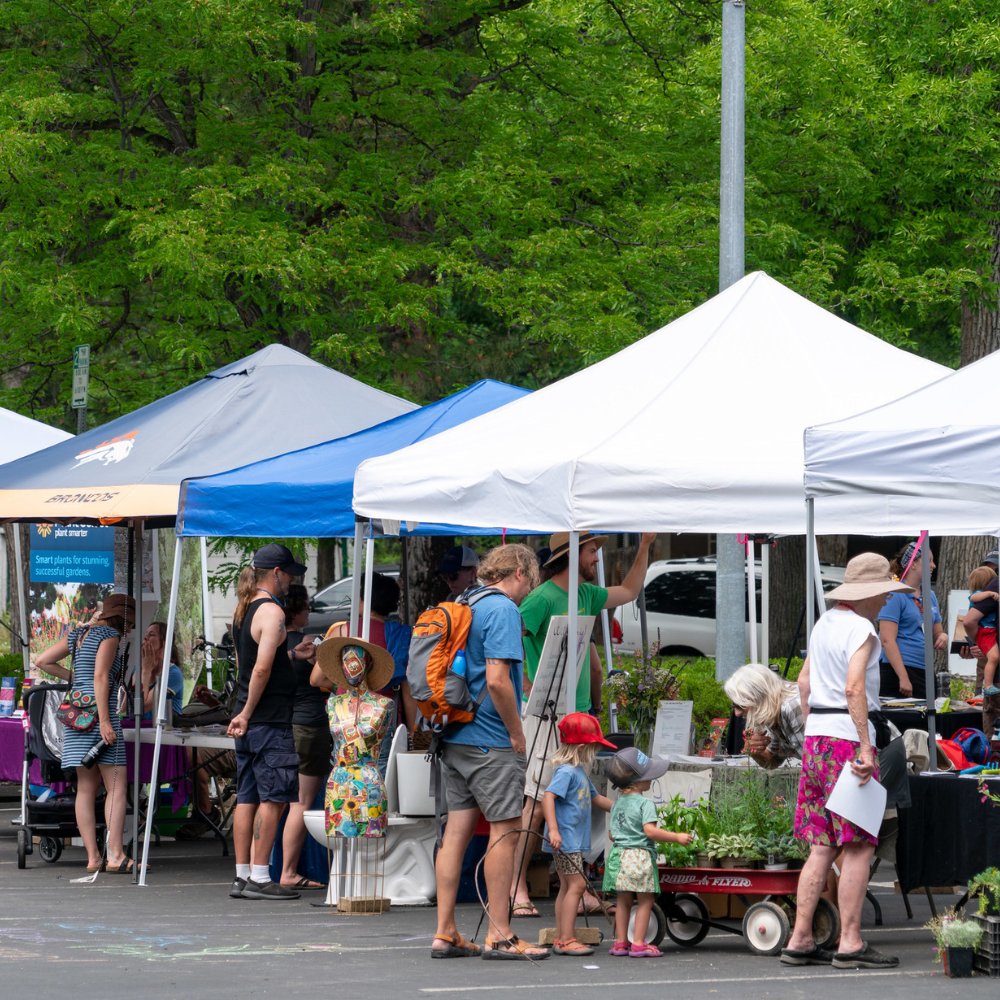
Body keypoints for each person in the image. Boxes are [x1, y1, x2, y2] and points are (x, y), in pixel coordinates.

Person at [511, 530, 656, 918]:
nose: (596, 558)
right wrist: (524, 686)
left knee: (573, 800)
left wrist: (644, 547)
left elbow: (628, 589)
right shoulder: (541, 599)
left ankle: (574, 885)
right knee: (537, 803)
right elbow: (512, 636)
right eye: (592, 551)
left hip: (574, 717)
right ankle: (515, 886)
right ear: (572, 555)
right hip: (544, 714)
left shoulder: (587, 595)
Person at [780, 552, 910, 970]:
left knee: (821, 846)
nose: (887, 601)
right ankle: (850, 941)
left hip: (818, 736)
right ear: (872, 593)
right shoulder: (862, 629)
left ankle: (800, 937)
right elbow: (855, 689)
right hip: (845, 742)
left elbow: (804, 681)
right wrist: (866, 748)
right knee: (857, 846)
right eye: (885, 593)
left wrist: (813, 725)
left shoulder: (824, 623)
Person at [429, 543, 548, 961]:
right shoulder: (501, 610)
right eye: (529, 584)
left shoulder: (464, 600)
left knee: (455, 834)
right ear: (518, 571)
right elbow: (498, 680)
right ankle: (500, 934)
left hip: (454, 734)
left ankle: (445, 932)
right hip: (490, 739)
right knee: (505, 831)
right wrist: (518, 734)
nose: (526, 594)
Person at [227, 544, 317, 901]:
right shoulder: (272, 611)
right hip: (267, 718)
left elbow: (250, 662)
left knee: (247, 795)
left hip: (250, 719)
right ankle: (262, 876)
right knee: (274, 797)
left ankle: (243, 873)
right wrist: (248, 713)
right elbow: (260, 669)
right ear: (276, 573)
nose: (292, 580)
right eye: (290, 573)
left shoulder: (244, 609)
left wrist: (293, 653)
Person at [34, 593, 136, 873]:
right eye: (131, 622)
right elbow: (101, 677)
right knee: (116, 786)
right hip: (98, 714)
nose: (131, 628)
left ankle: (93, 857)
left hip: (76, 715)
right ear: (123, 618)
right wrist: (105, 720)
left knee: (86, 789)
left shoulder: (79, 635)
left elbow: (42, 660)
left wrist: (74, 679)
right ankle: (115, 854)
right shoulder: (110, 635)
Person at [603, 747, 694, 958]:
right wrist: (677, 837)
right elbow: (650, 831)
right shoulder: (645, 804)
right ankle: (638, 943)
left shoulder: (617, 805)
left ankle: (620, 942)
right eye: (649, 776)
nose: (652, 779)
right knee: (645, 901)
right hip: (639, 858)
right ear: (637, 782)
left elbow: (611, 835)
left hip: (618, 858)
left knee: (623, 901)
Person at [541, 713, 614, 957]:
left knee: (566, 886)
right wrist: (553, 829)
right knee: (577, 884)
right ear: (582, 748)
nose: (594, 754)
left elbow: (596, 799)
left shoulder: (579, 773)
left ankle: (563, 936)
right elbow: (548, 797)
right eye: (593, 749)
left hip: (570, 840)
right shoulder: (567, 772)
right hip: (566, 839)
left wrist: (621, 806)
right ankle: (567, 938)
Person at [314, 635, 395, 838]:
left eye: (356, 660)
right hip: (338, 784)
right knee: (339, 850)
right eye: (346, 661)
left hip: (369, 783)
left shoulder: (383, 704)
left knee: (372, 861)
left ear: (366, 664)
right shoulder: (333, 704)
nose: (351, 667)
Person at [278, 584, 329, 890]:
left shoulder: (276, 645)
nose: (310, 612)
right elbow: (324, 679)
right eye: (308, 607)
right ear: (297, 611)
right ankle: (289, 870)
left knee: (277, 802)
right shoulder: (308, 646)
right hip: (310, 723)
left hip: (284, 722)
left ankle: (262, 867)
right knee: (302, 802)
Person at [323, 572, 415, 732]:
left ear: (365, 598)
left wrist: (347, 684)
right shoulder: (402, 636)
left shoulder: (341, 631)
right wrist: (415, 733)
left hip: (345, 722)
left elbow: (316, 679)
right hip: (382, 721)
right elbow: (408, 691)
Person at [877, 541, 947, 699]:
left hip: (925, 670)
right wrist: (903, 677)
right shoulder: (895, 593)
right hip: (898, 671)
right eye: (929, 560)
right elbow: (887, 640)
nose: (933, 565)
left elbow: (938, 632)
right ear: (914, 563)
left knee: (927, 721)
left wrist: (943, 637)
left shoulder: (930, 595)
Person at [723, 663, 804, 768]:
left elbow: (818, 763)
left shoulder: (791, 706)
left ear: (758, 698)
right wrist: (754, 751)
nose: (737, 713)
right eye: (734, 705)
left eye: (740, 705)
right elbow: (772, 762)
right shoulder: (774, 709)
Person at [962, 549, 1000, 736]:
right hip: (987, 670)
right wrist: (975, 643)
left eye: (995, 569)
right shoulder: (987, 594)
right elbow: (968, 623)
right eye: (988, 567)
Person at [140, 621, 185, 720]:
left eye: (151, 635)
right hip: (141, 728)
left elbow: (142, 708)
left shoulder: (173, 674)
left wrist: (146, 672)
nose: (145, 638)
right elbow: (125, 706)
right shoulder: (139, 668)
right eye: (145, 634)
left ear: (165, 643)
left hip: (165, 731)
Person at [966, 567, 1000, 697]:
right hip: (986, 631)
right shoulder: (980, 594)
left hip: (989, 631)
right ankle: (988, 685)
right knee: (994, 657)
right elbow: (974, 597)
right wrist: (989, 593)